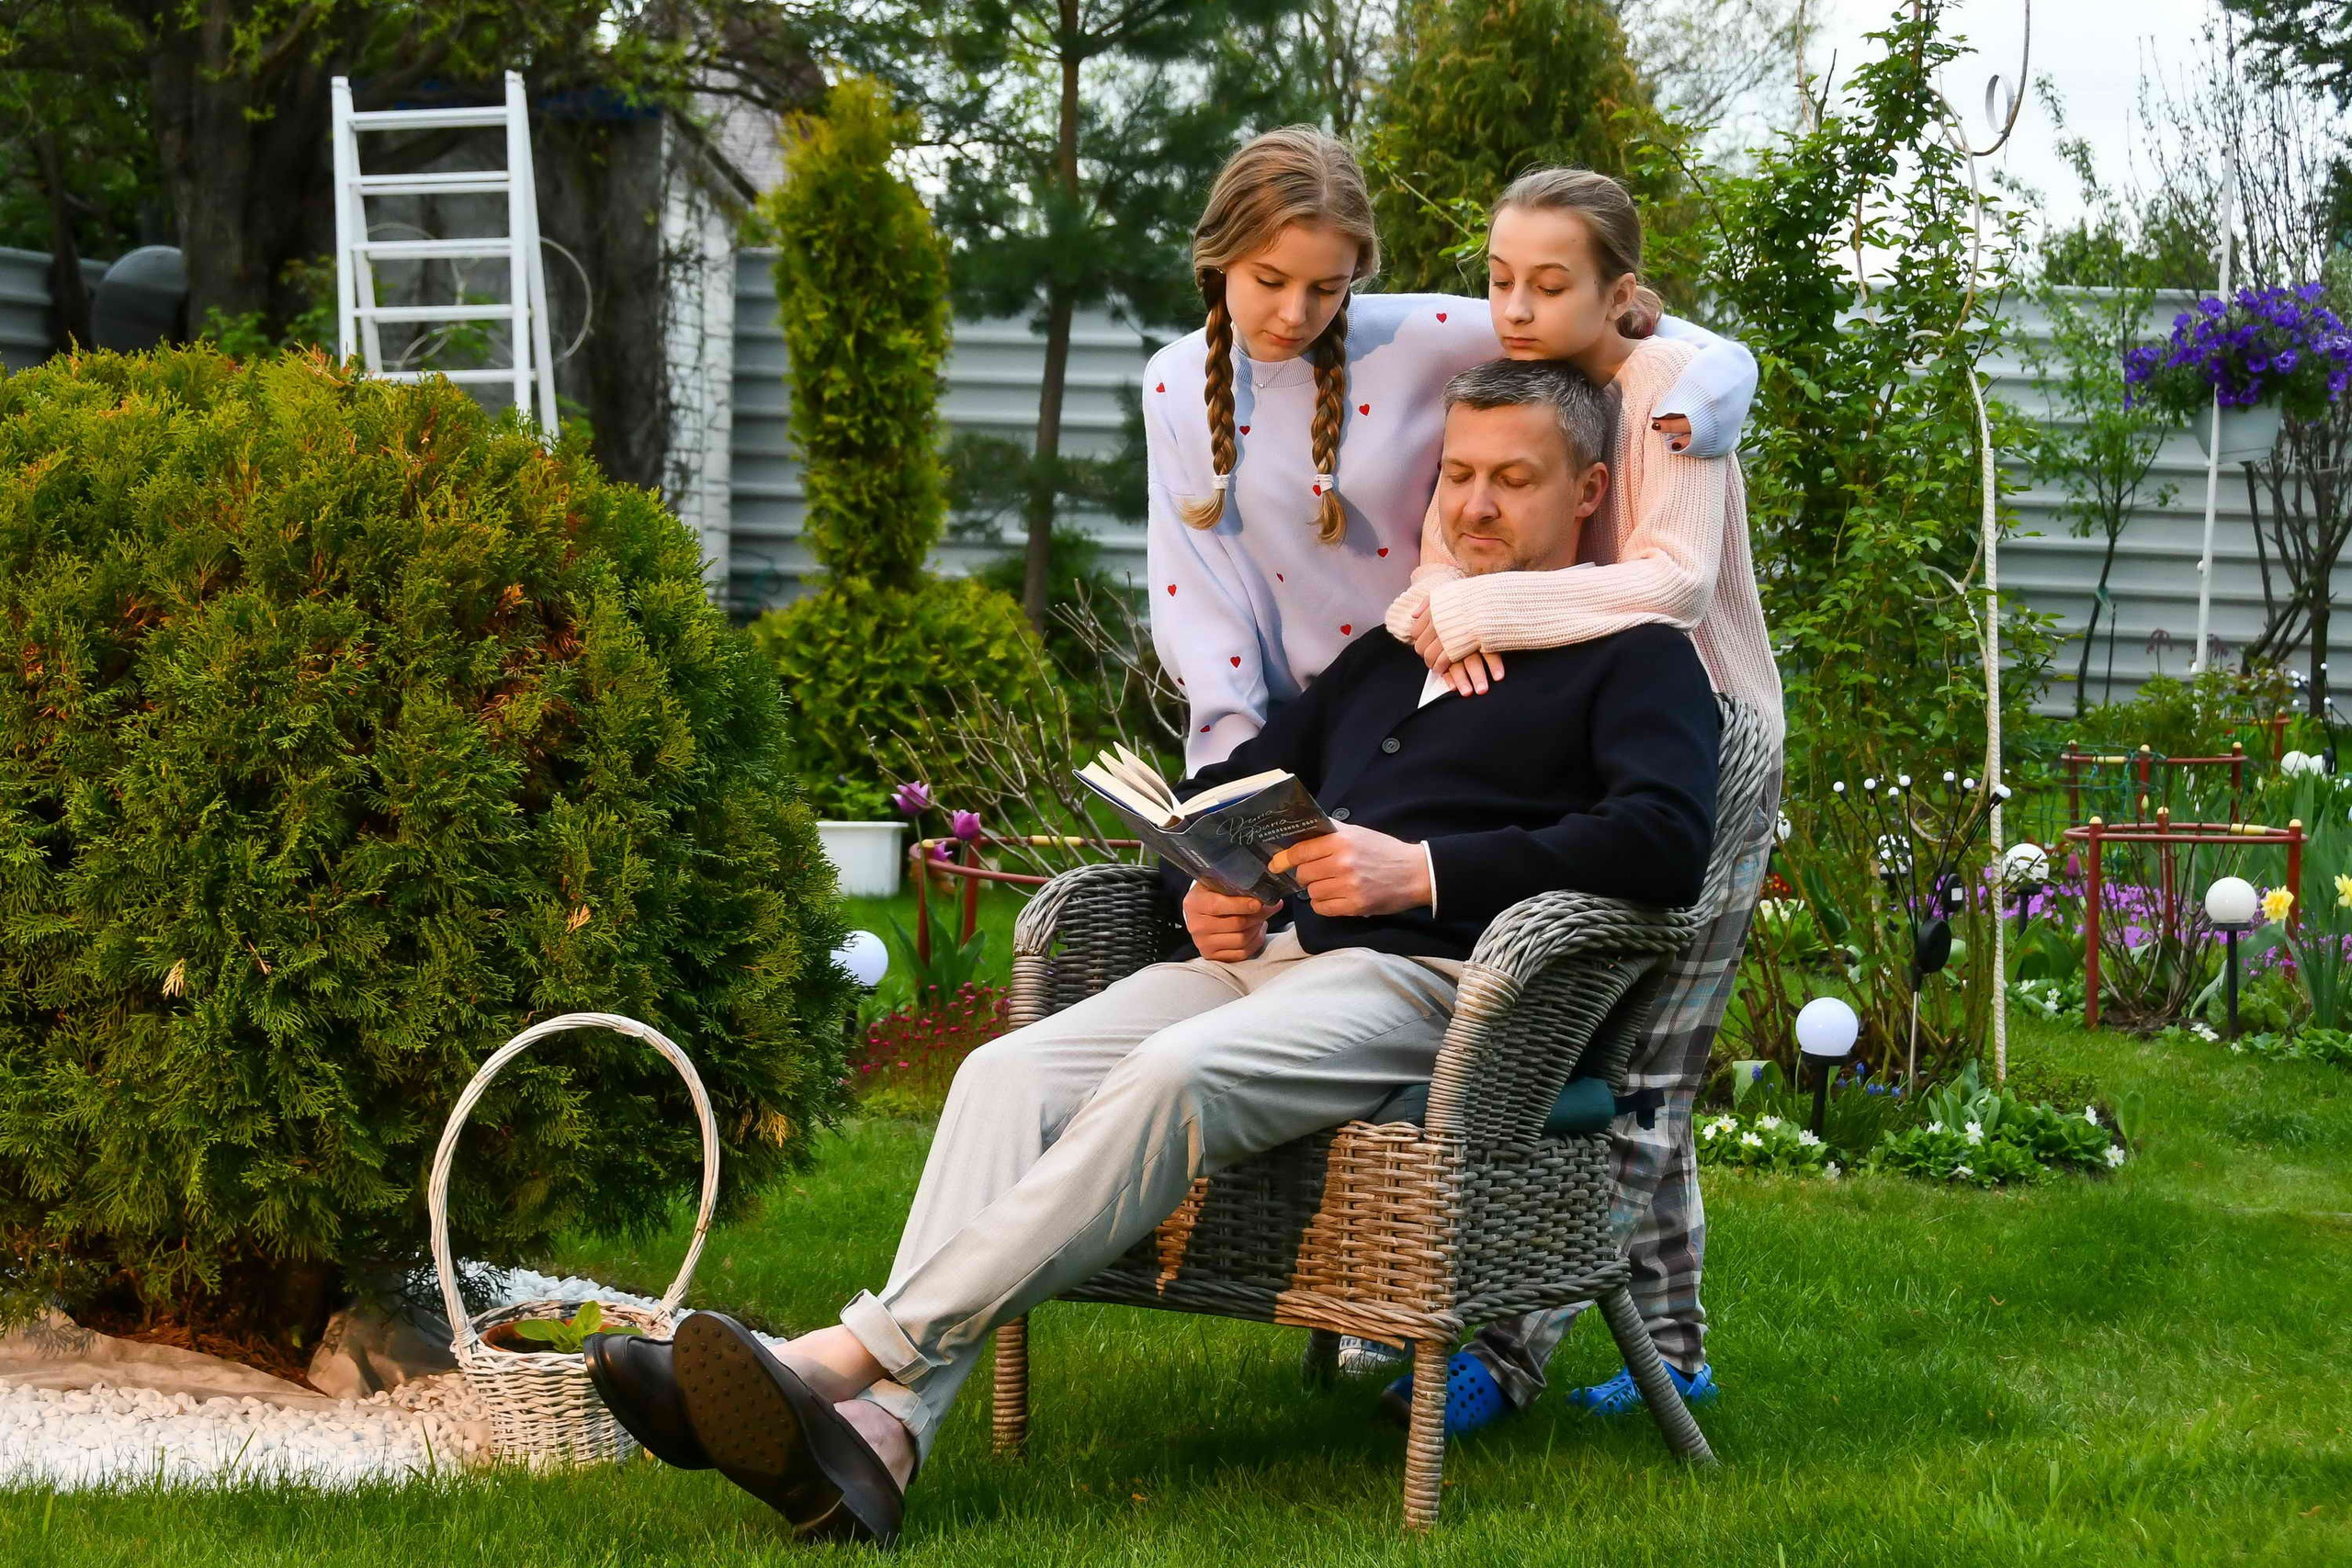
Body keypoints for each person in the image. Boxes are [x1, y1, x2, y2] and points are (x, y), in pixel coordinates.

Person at [585, 360, 1724, 1546]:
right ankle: (884, 1438)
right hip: (1266, 955)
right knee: (1003, 1072)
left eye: (1515, 479)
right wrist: (1203, 884)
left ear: (1588, 490)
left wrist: (1422, 872)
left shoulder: (1633, 655)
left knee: (1176, 1075)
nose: (1477, 504)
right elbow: (1239, 781)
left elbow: (1664, 841)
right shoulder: (1394, 650)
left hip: (1436, 983)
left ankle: (839, 1354)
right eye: (1460, 476)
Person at [1374, 167, 1782, 1435]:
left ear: (1621, 290)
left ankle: (1505, 1354)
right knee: (1585, 1053)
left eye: (1551, 285)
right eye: (1499, 278)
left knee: (1634, 1068)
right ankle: (1671, 1352)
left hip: (1702, 750)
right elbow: (1437, 569)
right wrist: (1435, 623)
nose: (1516, 306)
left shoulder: (1667, 394)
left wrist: (1476, 613)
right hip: (1576, 751)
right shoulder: (1522, 392)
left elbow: (1668, 583)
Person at [1145, 126, 1758, 775]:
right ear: (1217, 256)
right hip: (1308, 727)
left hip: (1452, 697)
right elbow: (1201, 598)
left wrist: (1726, 374)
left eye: (1328, 287)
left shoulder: (1417, 337)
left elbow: (1626, 328)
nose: (1296, 313)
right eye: (1269, 280)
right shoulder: (1172, 384)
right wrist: (1230, 768)